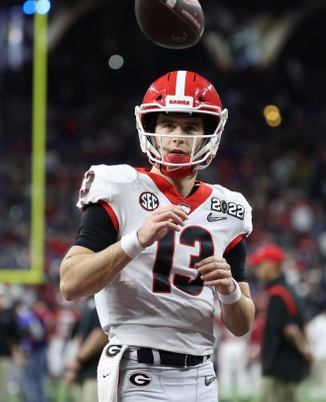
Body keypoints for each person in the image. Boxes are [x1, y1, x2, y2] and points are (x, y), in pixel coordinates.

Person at [60, 70, 256, 402]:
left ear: (210, 135)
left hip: (202, 376)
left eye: (191, 127)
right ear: (151, 129)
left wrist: (230, 291)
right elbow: (71, 283)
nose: (178, 136)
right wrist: (136, 239)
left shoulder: (229, 207)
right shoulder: (119, 186)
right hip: (137, 371)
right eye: (168, 125)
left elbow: (242, 324)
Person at [248, 243, 312, 402]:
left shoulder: (277, 294)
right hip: (287, 368)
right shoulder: (289, 290)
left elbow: (290, 329)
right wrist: (306, 349)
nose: (257, 269)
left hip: (278, 369)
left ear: (272, 266)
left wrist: (305, 351)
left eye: (260, 265)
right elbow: (303, 323)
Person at [63, 296, 108, 402]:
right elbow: (80, 335)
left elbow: (101, 334)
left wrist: (78, 360)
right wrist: (73, 367)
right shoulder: (87, 301)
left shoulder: (103, 298)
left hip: (96, 373)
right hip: (83, 372)